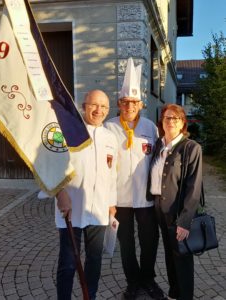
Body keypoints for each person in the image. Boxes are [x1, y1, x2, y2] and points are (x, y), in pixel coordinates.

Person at [105, 58, 166, 300]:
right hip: (119, 199)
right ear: (119, 103)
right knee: (127, 244)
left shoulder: (151, 128)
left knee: (150, 241)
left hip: (146, 198)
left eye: (133, 102)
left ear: (140, 104)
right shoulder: (109, 128)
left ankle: (148, 279)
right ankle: (132, 282)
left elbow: (160, 161)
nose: (129, 105)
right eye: (125, 102)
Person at [55, 89, 118, 300]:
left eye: (103, 106)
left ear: (108, 110)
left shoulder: (111, 137)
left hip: (99, 210)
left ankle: (89, 296)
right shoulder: (67, 131)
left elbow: (113, 173)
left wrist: (111, 203)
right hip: (71, 208)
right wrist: (59, 193)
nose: (98, 110)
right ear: (84, 106)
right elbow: (51, 167)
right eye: (93, 105)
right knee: (68, 262)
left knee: (95, 259)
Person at [147, 104, 202, 300]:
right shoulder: (159, 145)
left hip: (177, 212)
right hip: (158, 209)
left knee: (183, 256)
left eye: (175, 118)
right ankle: (174, 293)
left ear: (182, 123)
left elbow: (193, 188)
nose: (170, 121)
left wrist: (185, 221)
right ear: (161, 122)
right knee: (170, 254)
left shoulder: (191, 148)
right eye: (167, 118)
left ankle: (185, 296)